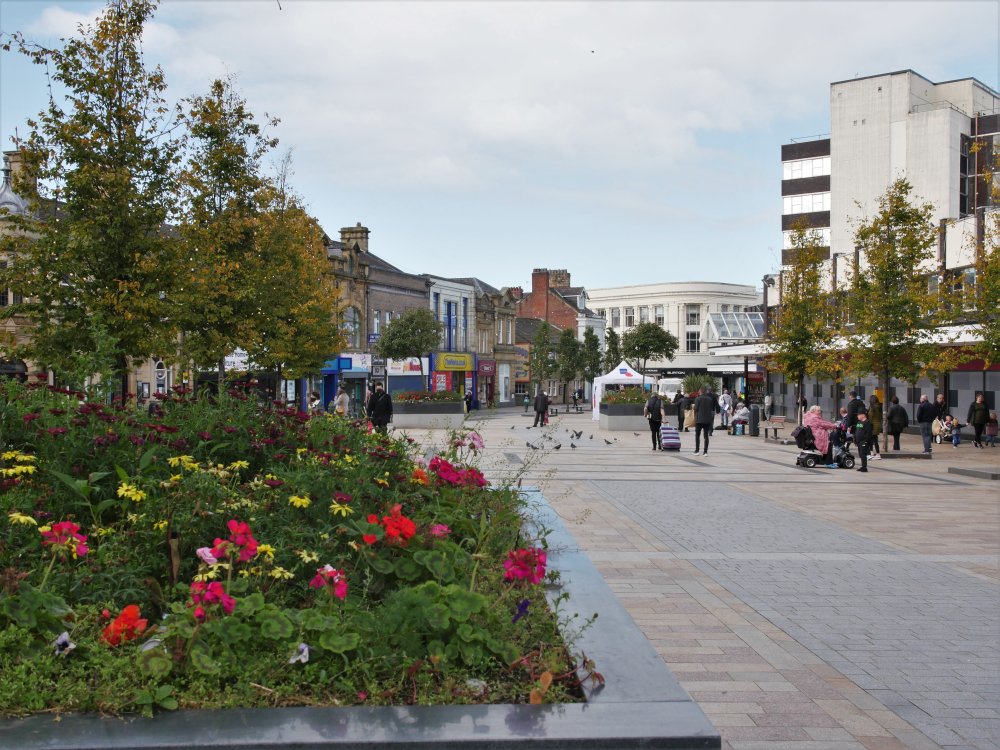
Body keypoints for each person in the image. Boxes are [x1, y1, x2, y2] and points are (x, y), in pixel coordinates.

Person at [692, 386, 718, 456]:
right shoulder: (709, 399)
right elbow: (711, 408)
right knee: (706, 435)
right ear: (706, 392)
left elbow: (696, 409)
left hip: (699, 420)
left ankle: (697, 451)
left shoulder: (698, 399)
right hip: (707, 420)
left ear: (700, 391)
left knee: (697, 435)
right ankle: (705, 452)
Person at [867, 394, 882, 460]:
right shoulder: (879, 406)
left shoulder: (873, 407)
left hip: (872, 425)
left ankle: (873, 453)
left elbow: (870, 416)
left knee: (871, 440)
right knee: (875, 440)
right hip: (877, 425)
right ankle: (876, 453)